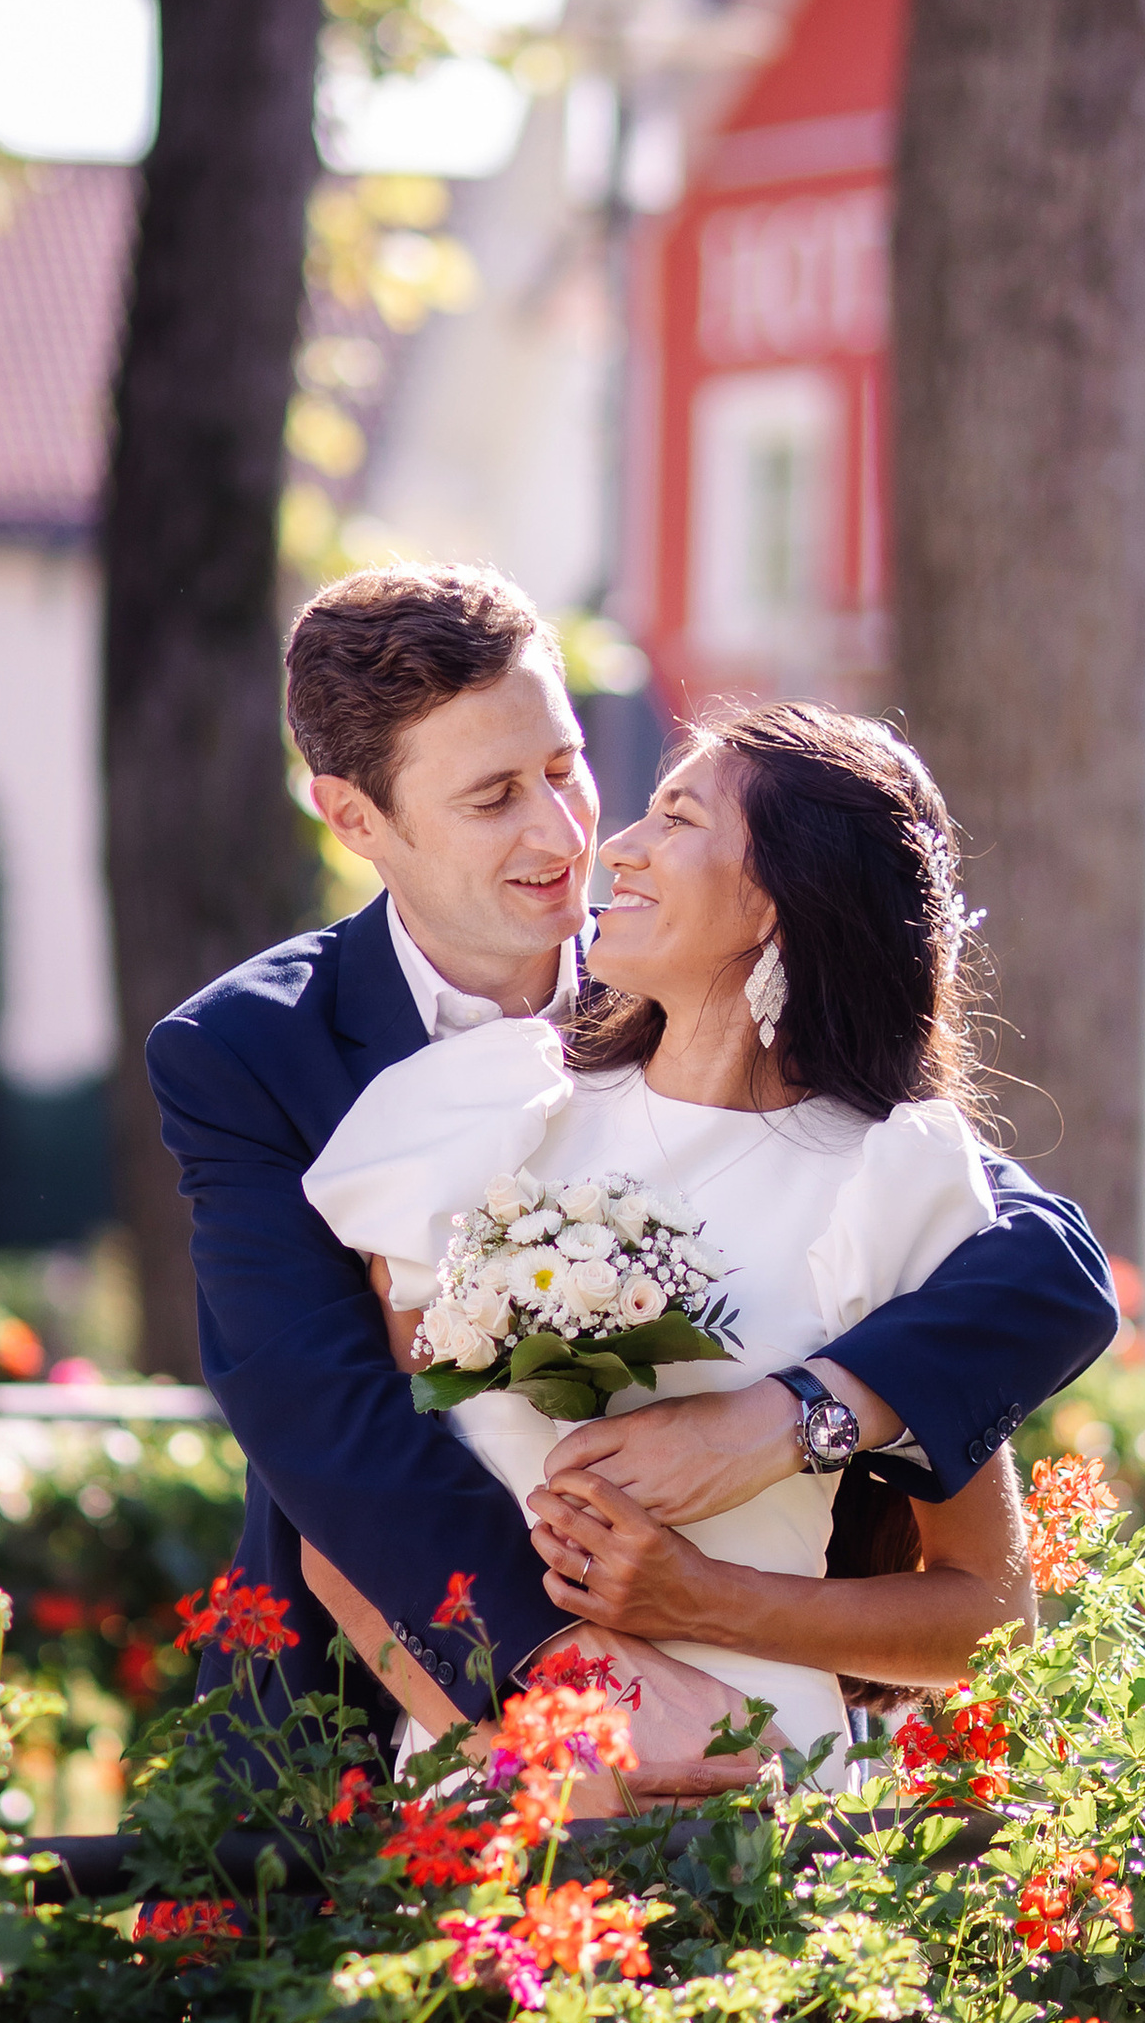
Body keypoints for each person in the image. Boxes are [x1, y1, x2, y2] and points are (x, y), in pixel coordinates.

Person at [145, 564, 1115, 1770]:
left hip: (770, 1748)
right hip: (390, 1728)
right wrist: (593, 1720)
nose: (571, 838)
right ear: (355, 819)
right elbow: (335, 1436)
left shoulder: (708, 995)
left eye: (564, 767)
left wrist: (787, 1419)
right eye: (493, 796)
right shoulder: (252, 1054)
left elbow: (1043, 1266)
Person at [297, 699, 1035, 1785]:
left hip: (764, 1791)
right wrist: (543, 1760)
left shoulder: (892, 1181)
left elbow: (989, 1617)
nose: (618, 849)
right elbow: (344, 1529)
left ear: (780, 900)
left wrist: (707, 1600)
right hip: (496, 1795)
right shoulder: (482, 1113)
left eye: (678, 820)